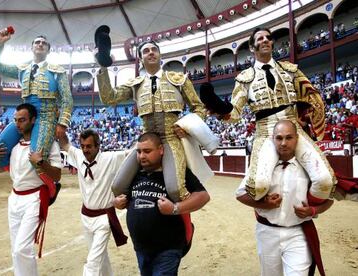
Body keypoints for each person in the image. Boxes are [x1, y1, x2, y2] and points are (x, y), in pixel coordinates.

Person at [205, 27, 336, 203]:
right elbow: (235, 113)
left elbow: (310, 95)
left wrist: (308, 119)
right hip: (266, 132)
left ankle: (306, 209)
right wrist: (219, 108)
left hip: (293, 129)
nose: (265, 40)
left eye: (268, 38)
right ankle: (266, 213)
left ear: (272, 43)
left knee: (325, 181)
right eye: (260, 39)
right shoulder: (245, 78)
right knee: (258, 187)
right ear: (252, 48)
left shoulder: (290, 70)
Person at [96, 39, 207, 202]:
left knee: (176, 190)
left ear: (160, 55)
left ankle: (183, 224)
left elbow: (199, 107)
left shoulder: (179, 79)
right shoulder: (136, 84)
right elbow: (108, 98)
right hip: (145, 142)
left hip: (171, 140)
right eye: (146, 51)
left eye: (154, 49)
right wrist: (103, 67)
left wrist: (188, 128)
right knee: (118, 187)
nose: (150, 52)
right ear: (141, 59)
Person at [236, 120, 333, 276]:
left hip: (298, 233)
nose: (283, 143)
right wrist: (264, 204)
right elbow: (240, 194)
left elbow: (329, 200)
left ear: (297, 138)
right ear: (273, 139)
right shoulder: (262, 166)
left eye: (289, 138)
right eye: (279, 138)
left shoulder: (310, 167)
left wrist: (313, 210)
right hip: (267, 232)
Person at [0, 27, 73, 198]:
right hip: (26, 117)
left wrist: (62, 123)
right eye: (37, 42)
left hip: (47, 117)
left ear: (48, 50)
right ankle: (18, 176)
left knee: (36, 156)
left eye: (44, 43)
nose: (40, 44)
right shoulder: (22, 68)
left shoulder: (57, 71)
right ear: (32, 47)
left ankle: (52, 186)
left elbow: (67, 99)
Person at [114, 132, 210, 275]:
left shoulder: (176, 173)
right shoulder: (136, 174)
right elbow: (125, 198)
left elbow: (203, 196)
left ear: (161, 150)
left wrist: (175, 208)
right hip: (141, 248)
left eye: (147, 151)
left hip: (168, 248)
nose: (141, 156)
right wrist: (117, 202)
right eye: (139, 152)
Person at [0, 103, 62, 276]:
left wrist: (41, 162)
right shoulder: (13, 146)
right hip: (14, 198)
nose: (18, 124)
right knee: (16, 249)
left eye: (22, 120)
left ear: (33, 120)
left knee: (21, 249)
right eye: (16, 120)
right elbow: (1, 169)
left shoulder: (49, 145)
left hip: (34, 198)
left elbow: (57, 176)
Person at [57, 129, 128, 276]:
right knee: (99, 257)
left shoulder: (111, 158)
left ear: (98, 146)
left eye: (89, 146)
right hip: (86, 217)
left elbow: (133, 153)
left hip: (104, 218)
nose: (85, 149)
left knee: (93, 262)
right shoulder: (78, 155)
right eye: (82, 146)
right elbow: (65, 145)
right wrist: (61, 128)